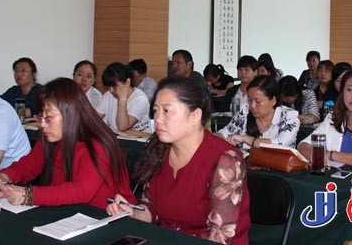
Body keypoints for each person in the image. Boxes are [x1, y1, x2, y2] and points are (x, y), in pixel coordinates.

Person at [106, 77, 250, 244]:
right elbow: (150, 207)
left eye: (167, 111)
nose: (157, 118)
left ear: (195, 116)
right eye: (155, 110)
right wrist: (132, 213)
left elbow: (220, 237)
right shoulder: (159, 149)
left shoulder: (225, 161)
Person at [0, 78, 135, 208]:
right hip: (67, 212)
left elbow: (81, 191)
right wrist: (2, 177)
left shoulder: (97, 144)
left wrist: (28, 195)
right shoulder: (52, 136)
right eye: (41, 117)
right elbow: (29, 165)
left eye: (49, 118)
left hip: (106, 216)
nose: (43, 124)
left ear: (71, 114)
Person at [217, 75, 300, 149]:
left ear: (273, 100)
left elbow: (280, 144)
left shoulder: (289, 116)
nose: (252, 105)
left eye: (258, 101)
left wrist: (244, 138)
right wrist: (218, 136)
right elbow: (224, 133)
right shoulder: (245, 110)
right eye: (250, 100)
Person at [96, 62, 150, 131]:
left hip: (137, 137)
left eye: (114, 86)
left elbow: (122, 127)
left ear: (127, 82)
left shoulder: (140, 99)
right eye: (108, 87)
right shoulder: (109, 94)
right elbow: (95, 118)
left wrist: (122, 101)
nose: (111, 90)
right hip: (116, 136)